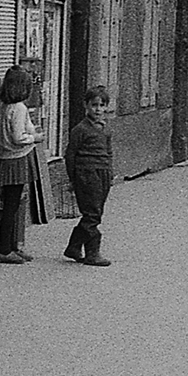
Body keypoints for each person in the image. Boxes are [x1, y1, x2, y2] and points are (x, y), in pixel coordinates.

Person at [0, 63, 39, 264]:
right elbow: (19, 137)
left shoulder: (3, 108)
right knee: (12, 206)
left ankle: (11, 246)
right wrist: (35, 138)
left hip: (7, 159)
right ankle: (4, 249)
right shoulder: (18, 108)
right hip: (17, 158)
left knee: (13, 204)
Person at [63, 86, 115, 267]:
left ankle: (74, 247)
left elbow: (108, 152)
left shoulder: (106, 129)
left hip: (103, 173)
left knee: (96, 212)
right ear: (86, 106)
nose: (98, 109)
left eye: (102, 105)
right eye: (94, 105)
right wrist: (72, 179)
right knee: (92, 214)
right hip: (86, 173)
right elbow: (70, 155)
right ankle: (92, 253)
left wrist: (110, 172)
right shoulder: (80, 129)